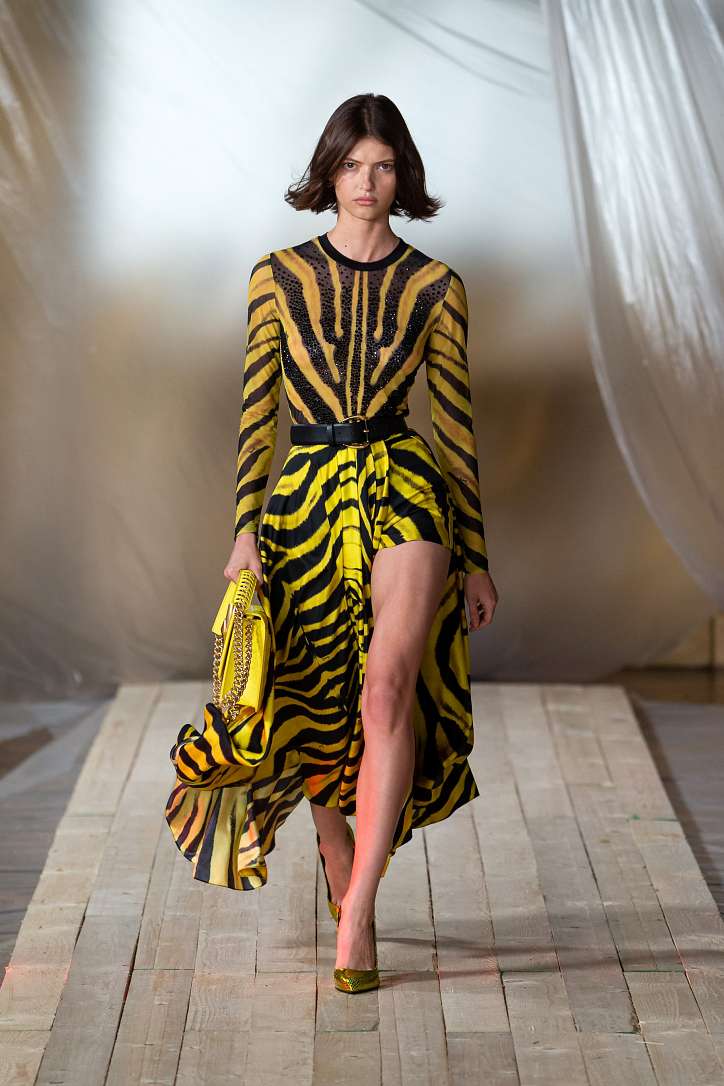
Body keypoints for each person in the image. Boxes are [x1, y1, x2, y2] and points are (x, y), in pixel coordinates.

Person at [223, 93, 498, 992]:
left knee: (386, 692)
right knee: (311, 703)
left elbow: (454, 426)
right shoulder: (277, 277)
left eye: (383, 166)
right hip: (304, 498)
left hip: (405, 489)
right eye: (351, 165)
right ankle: (336, 849)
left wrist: (477, 556)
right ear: (329, 171)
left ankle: (359, 913)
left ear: (401, 174)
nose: (367, 182)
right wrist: (243, 531)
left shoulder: (436, 286)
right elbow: (257, 410)